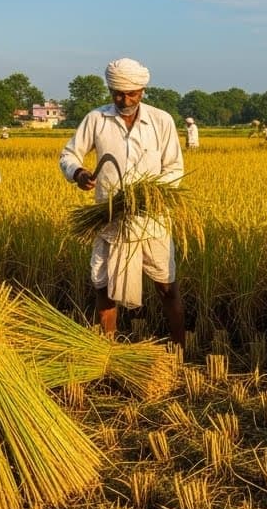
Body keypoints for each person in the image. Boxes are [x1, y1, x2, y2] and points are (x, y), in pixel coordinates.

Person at [59, 57, 185, 345]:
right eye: (117, 93)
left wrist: (145, 195)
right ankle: (108, 350)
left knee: (166, 286)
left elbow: (174, 168)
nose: (124, 99)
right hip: (110, 219)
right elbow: (68, 155)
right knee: (103, 288)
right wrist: (78, 173)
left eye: (131, 93)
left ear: (142, 91)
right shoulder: (96, 119)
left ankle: (180, 350)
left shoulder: (160, 121)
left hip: (150, 220)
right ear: (110, 90)